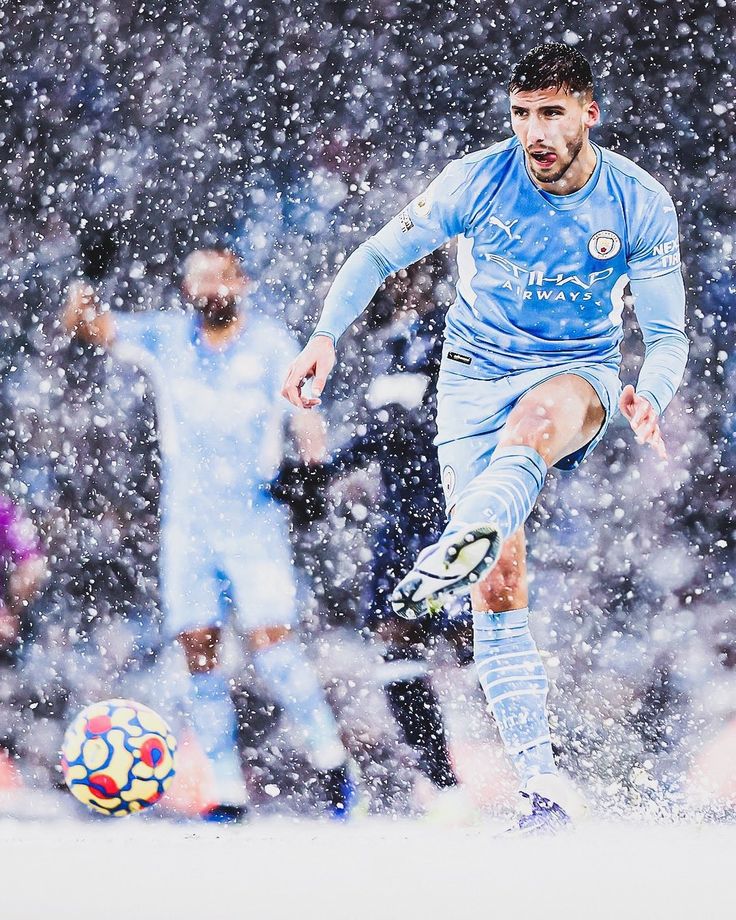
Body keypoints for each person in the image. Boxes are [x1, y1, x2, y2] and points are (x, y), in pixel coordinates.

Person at [281, 43, 689, 832]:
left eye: (551, 113)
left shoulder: (640, 201)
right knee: (496, 593)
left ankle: (469, 527)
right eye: (521, 113)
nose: (534, 131)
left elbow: (668, 334)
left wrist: (653, 394)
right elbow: (376, 253)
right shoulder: (477, 178)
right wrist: (326, 335)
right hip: (471, 381)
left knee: (536, 430)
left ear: (588, 113)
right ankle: (544, 793)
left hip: (580, 375)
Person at [67, 247, 354, 821]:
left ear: (239, 282)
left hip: (254, 515)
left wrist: (314, 466)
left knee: (274, 645)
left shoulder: (271, 343)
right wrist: (85, 279)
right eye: (198, 277)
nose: (209, 287)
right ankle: (227, 789)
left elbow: (304, 406)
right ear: (186, 287)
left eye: (219, 276)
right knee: (199, 652)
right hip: (189, 521)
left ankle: (332, 764)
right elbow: (87, 326)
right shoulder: (167, 340)